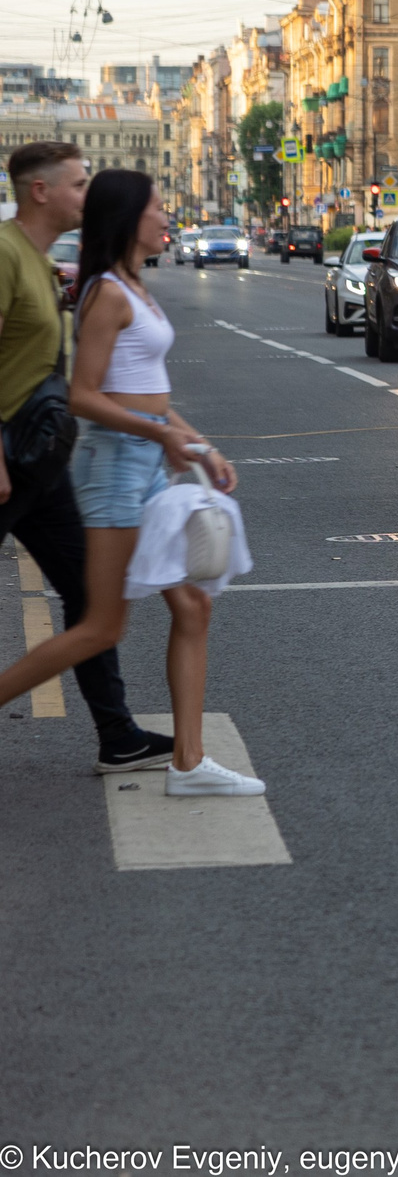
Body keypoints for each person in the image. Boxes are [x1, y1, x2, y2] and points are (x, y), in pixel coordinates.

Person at [0, 170, 249, 794]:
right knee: (101, 627)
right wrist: (163, 437)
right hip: (115, 469)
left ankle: (189, 764)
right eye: (158, 208)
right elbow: (85, 396)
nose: (168, 216)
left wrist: (195, 442)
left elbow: (150, 393)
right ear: (128, 217)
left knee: (194, 604)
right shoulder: (107, 292)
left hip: (143, 464)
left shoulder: (133, 285)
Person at [0, 142, 171, 773]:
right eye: (77, 184)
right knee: (93, 607)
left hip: (41, 468)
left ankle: (118, 735)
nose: (86, 195)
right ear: (40, 191)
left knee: (89, 601)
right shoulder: (4, 253)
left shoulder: (41, 263)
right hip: (7, 462)